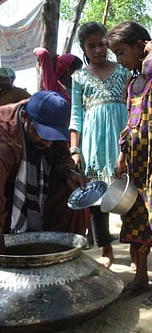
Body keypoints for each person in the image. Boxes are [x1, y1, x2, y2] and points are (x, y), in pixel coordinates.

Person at [106, 21, 152, 304]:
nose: (119, 60)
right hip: (136, 161)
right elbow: (129, 123)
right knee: (134, 215)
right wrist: (122, 154)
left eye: (122, 53)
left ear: (139, 48)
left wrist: (151, 48)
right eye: (117, 55)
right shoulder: (131, 84)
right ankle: (141, 277)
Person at [69, 21, 130, 269]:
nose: (98, 50)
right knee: (97, 197)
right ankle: (106, 248)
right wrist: (74, 150)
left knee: (128, 193)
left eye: (102, 44)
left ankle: (137, 249)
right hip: (93, 146)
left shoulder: (124, 72)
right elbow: (76, 115)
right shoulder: (79, 77)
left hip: (122, 141)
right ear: (84, 48)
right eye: (91, 46)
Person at [0, 91, 87, 253]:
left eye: (53, 137)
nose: (48, 143)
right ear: (25, 118)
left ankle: (61, 255)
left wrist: (68, 173)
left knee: (70, 191)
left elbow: (61, 157)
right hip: (6, 190)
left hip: (37, 192)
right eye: (43, 135)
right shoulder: (5, 139)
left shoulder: (51, 123)